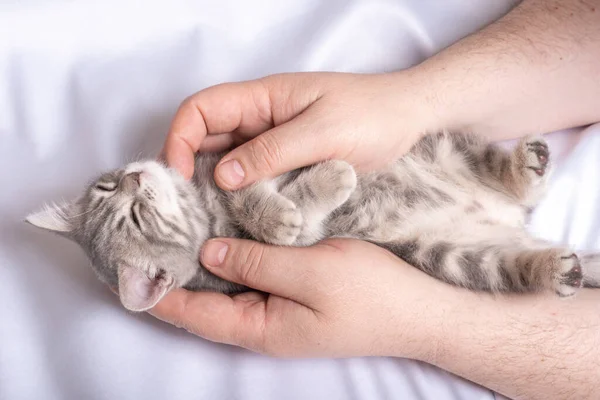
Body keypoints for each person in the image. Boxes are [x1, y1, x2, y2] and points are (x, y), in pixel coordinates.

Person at [153, 1, 600, 399]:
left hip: (420, 186)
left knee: (438, 156)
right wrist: (409, 101)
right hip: (436, 223)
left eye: (108, 186)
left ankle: (506, 184)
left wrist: (419, 323)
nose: (135, 186)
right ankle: (526, 259)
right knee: (444, 248)